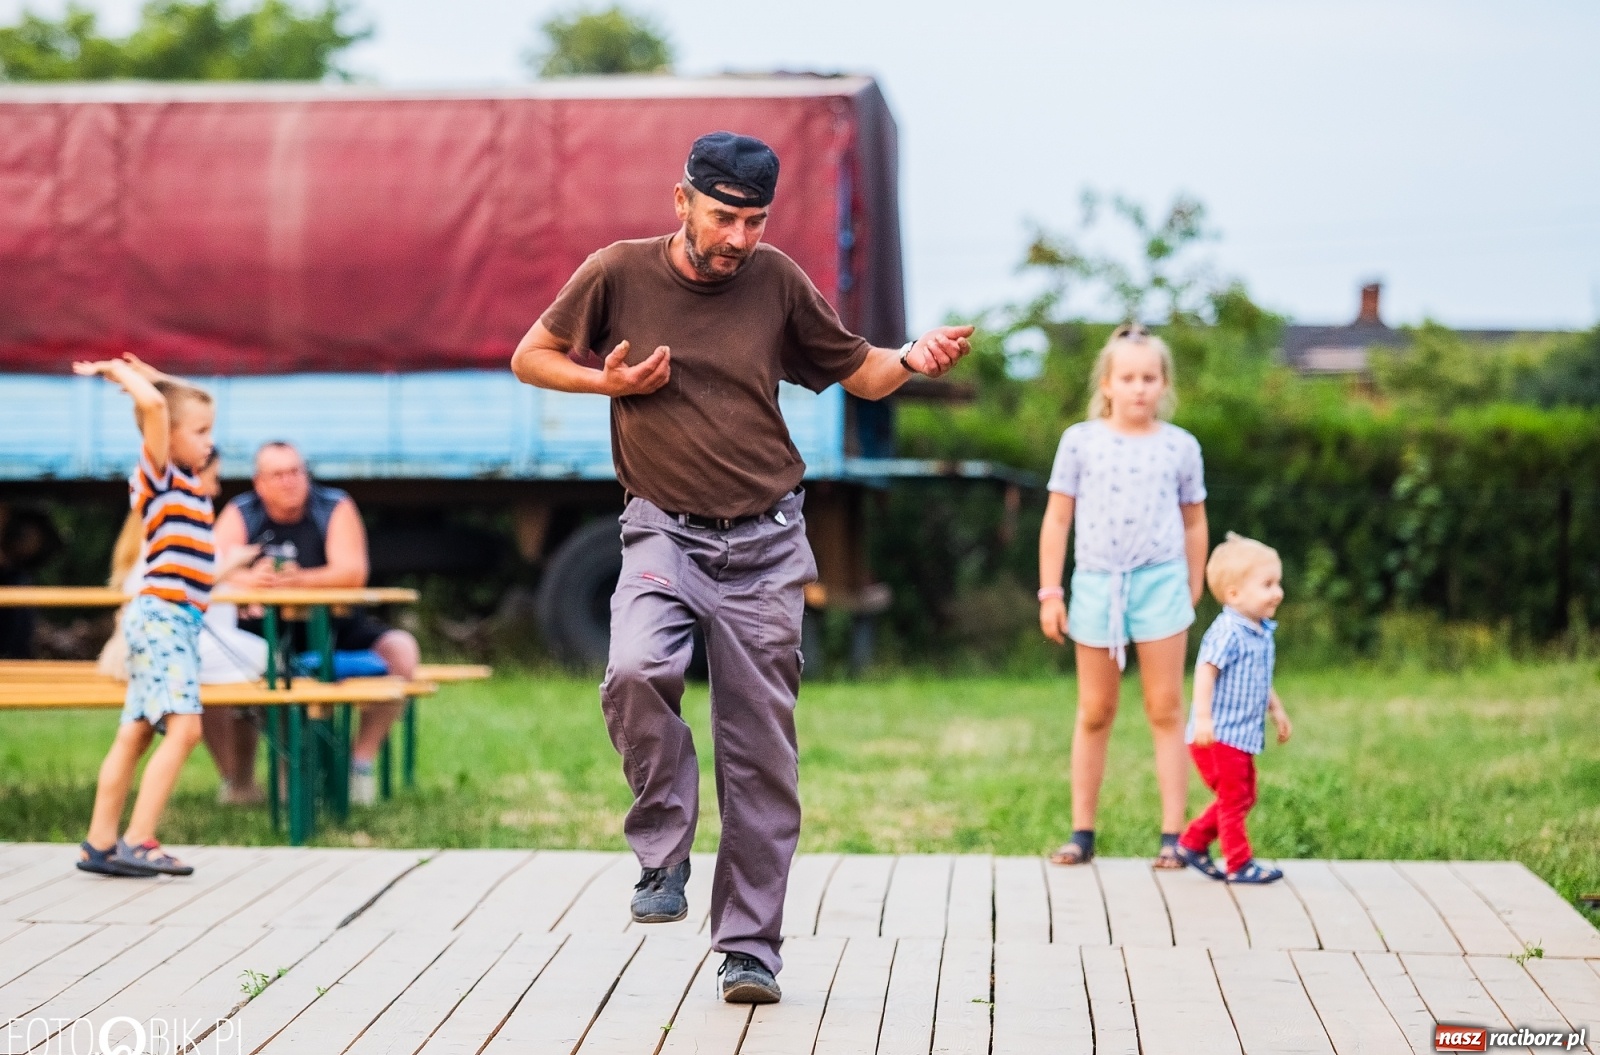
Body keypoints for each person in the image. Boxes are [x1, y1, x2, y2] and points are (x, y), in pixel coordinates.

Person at [511, 131, 972, 1004]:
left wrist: (910, 358)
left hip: (763, 543)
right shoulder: (616, 271)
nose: (739, 238)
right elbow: (529, 356)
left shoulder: (777, 282)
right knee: (637, 669)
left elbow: (861, 371)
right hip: (663, 533)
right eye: (725, 217)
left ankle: (750, 947)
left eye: (755, 221)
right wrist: (607, 388)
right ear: (680, 200)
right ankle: (663, 851)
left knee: (759, 753)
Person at [70, 354, 249, 876]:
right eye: (200, 431)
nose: (210, 442)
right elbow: (153, 407)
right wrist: (119, 376)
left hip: (173, 622)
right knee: (186, 730)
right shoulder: (159, 478)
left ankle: (99, 844)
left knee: (137, 732)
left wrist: (157, 378)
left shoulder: (192, 487)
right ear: (163, 436)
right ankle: (140, 839)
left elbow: (162, 400)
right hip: (162, 618)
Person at [1038, 324, 1208, 869]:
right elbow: (1057, 519)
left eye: (1149, 378)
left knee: (1165, 708)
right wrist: (1051, 591)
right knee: (1095, 711)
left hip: (1160, 585)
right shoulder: (1080, 441)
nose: (1139, 387)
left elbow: (1195, 521)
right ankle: (1082, 831)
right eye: (1128, 377)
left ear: (1164, 384)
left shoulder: (1181, 447)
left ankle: (1173, 836)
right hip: (1095, 585)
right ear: (1108, 383)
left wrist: (1194, 580)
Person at [211, 441, 420, 806]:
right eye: (279, 474)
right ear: (259, 483)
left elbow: (353, 573)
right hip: (266, 633)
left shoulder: (333, 505)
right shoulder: (242, 511)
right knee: (221, 674)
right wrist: (252, 580)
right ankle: (239, 780)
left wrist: (299, 580)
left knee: (401, 652)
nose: (290, 481)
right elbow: (213, 571)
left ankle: (358, 765)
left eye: (297, 471)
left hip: (335, 628)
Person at [1175, 533, 1291, 884]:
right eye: (1267, 584)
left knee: (1241, 796)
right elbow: (1205, 671)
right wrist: (1204, 719)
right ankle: (1238, 863)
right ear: (1234, 594)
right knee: (1234, 797)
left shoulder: (1259, 631)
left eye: (1278, 583)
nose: (1278, 592)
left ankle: (1192, 843)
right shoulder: (1228, 631)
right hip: (1219, 734)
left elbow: (1259, 678)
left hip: (1240, 735)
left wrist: (1278, 710)